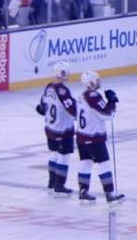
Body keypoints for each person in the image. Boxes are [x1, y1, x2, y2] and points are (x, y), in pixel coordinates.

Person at [76, 71, 125, 203]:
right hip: (94, 138)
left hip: (81, 137)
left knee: (85, 163)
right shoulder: (93, 96)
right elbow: (107, 115)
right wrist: (112, 101)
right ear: (91, 83)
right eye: (97, 80)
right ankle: (109, 194)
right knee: (104, 165)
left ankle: (83, 191)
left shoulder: (81, 95)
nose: (99, 82)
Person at [36, 62, 76, 195]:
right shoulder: (62, 90)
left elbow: (42, 107)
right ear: (65, 73)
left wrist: (41, 110)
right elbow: (72, 109)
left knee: (54, 154)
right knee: (64, 157)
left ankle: (52, 182)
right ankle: (60, 185)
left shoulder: (49, 87)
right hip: (62, 130)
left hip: (50, 129)